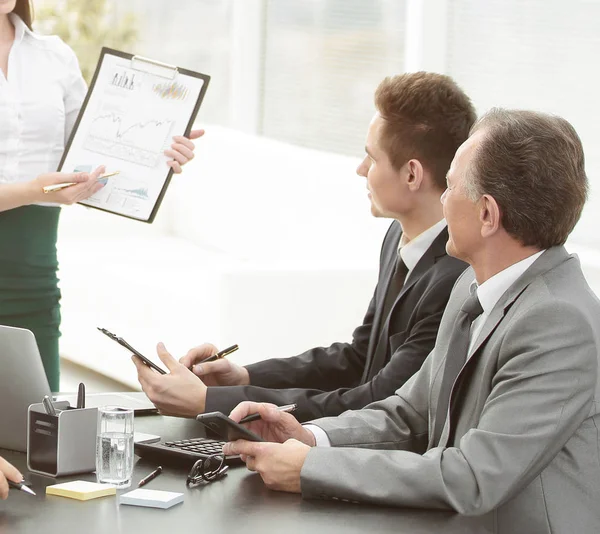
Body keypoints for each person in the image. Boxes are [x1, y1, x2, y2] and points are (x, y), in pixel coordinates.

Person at [222, 109, 600, 533]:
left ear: (488, 215)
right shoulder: (471, 287)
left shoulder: (558, 322)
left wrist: (312, 467)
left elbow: (473, 476)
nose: (441, 198)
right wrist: (310, 438)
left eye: (452, 186)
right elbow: (409, 413)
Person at [134, 72, 475, 420]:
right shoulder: (397, 236)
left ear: (412, 175)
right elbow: (359, 358)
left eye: (371, 158)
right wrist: (244, 377)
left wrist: (215, 403)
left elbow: (377, 400)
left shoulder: (456, 277)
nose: (360, 170)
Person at [0, 0, 201, 390]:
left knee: (36, 433)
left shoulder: (54, 57)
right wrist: (32, 191)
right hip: (30, 263)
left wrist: (158, 151)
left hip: (34, 283)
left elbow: (93, 158)